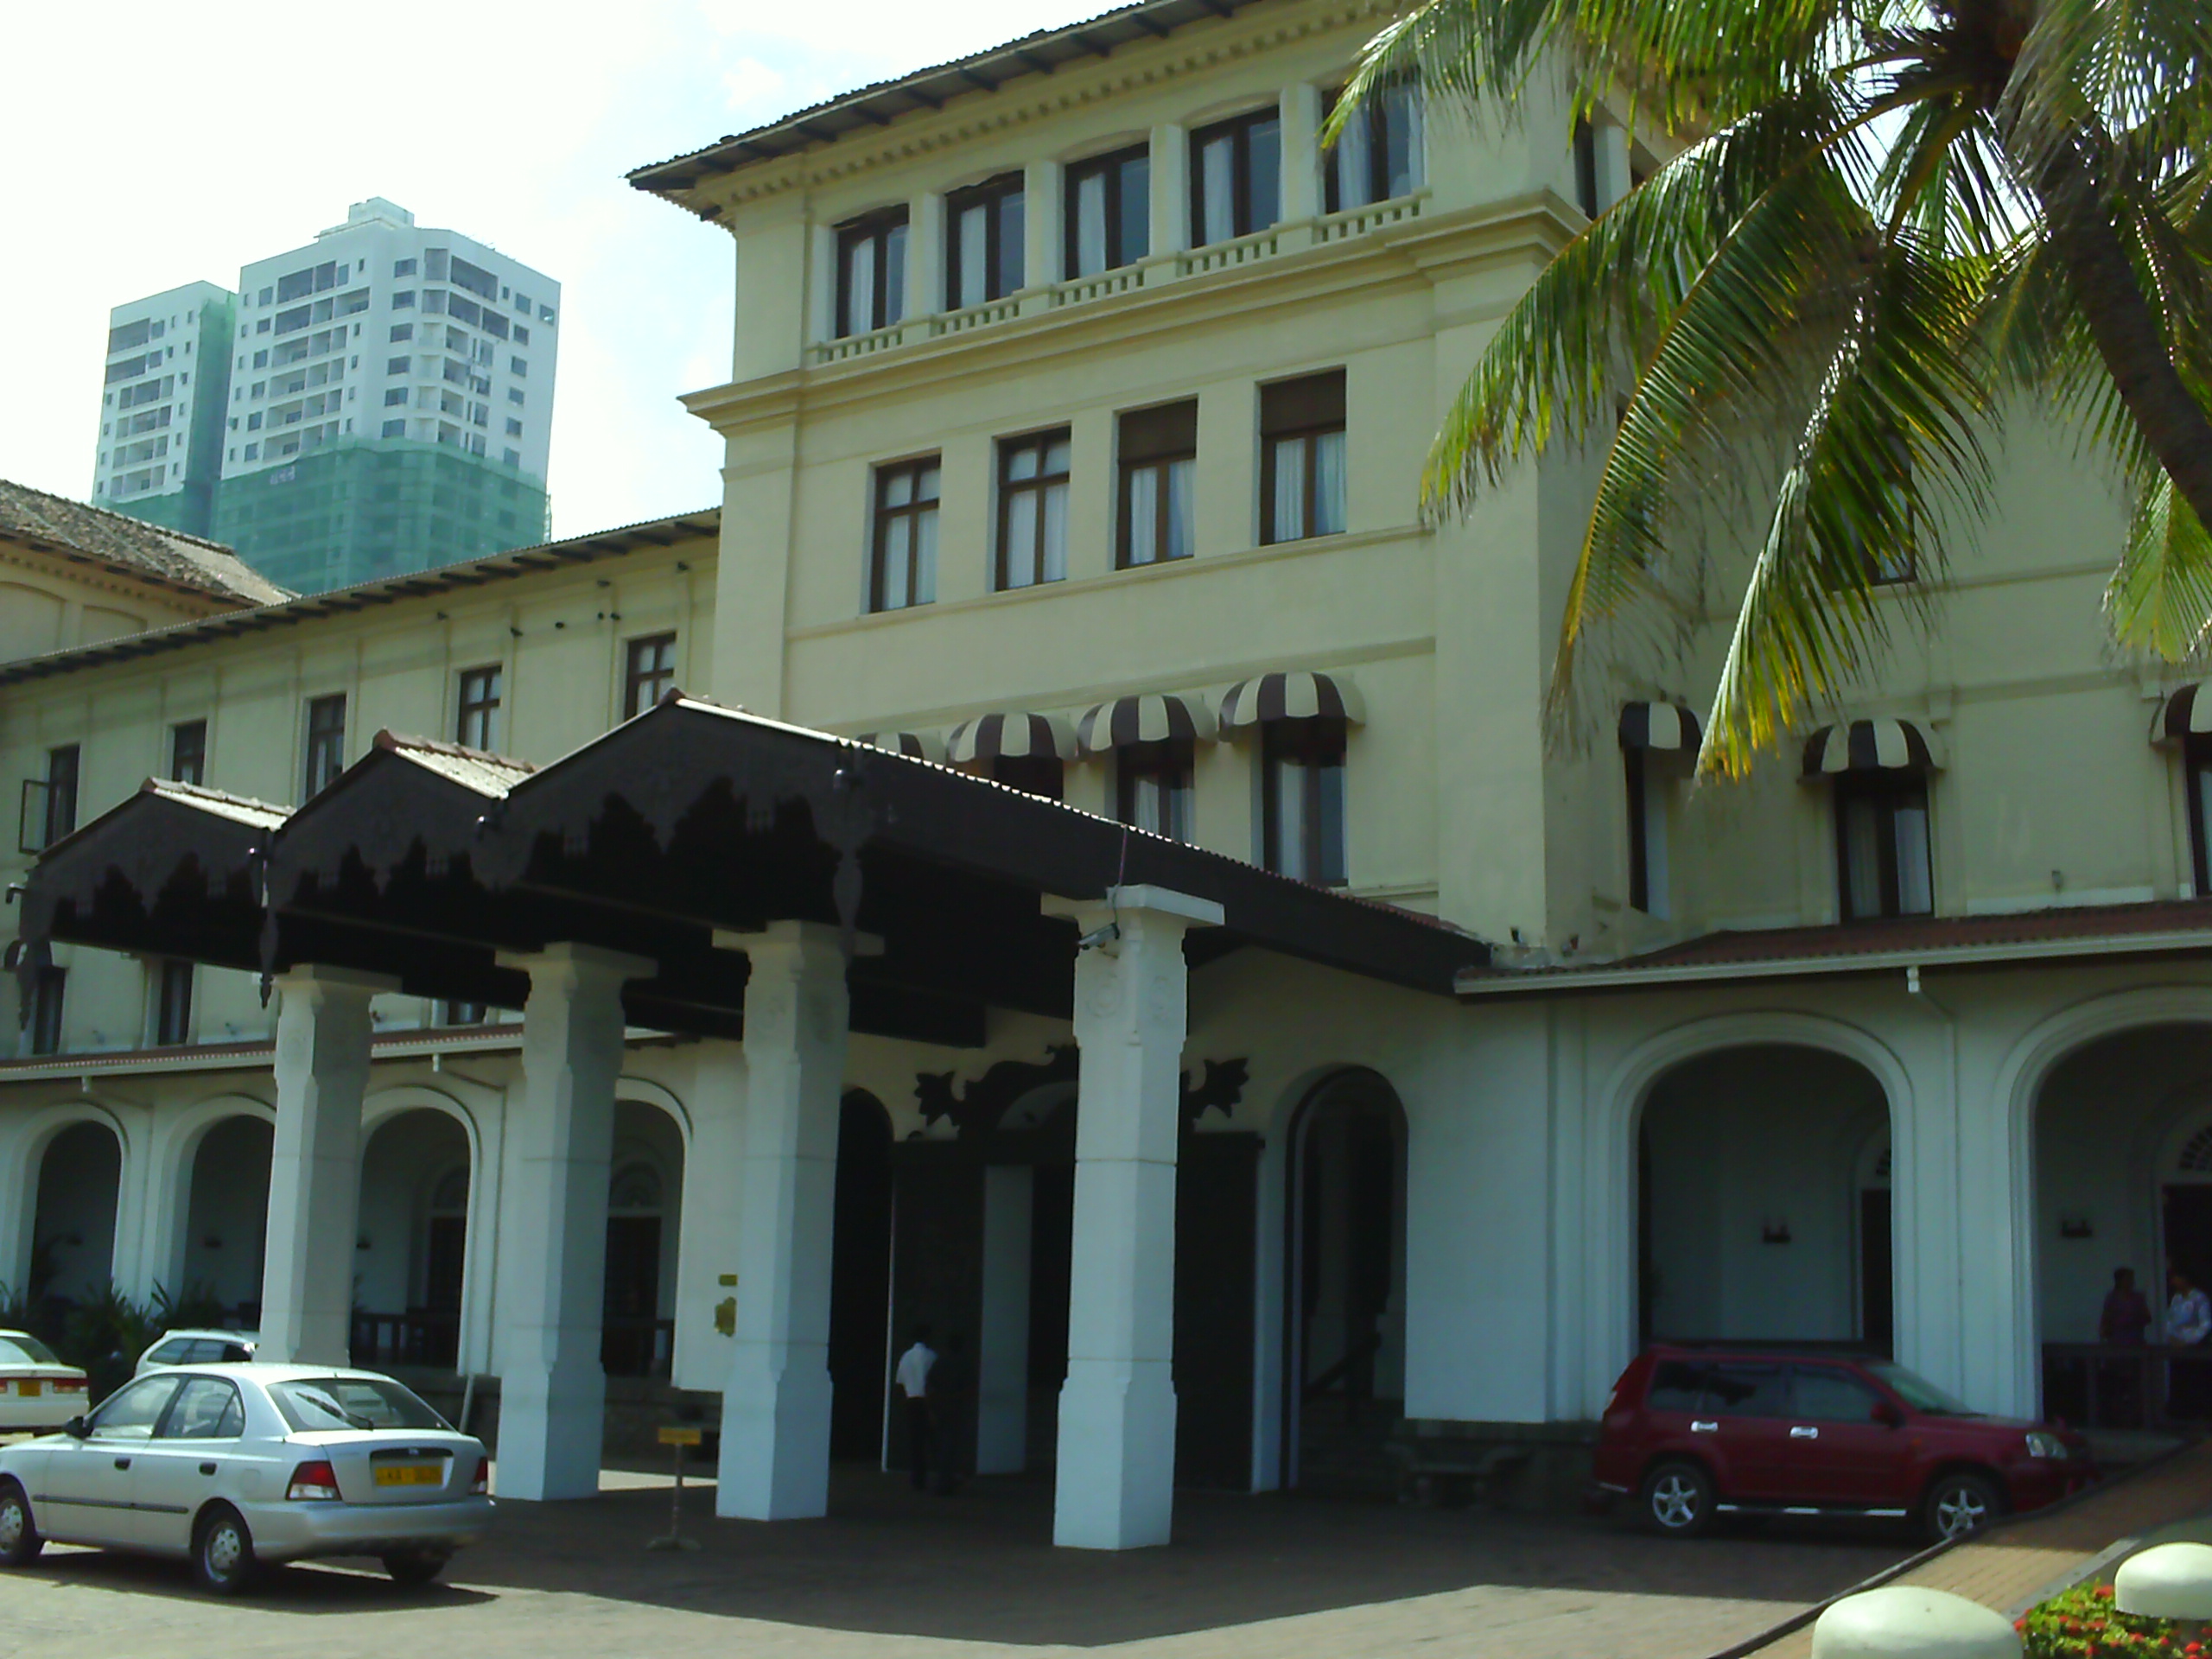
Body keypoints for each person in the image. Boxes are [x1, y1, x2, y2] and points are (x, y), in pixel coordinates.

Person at [2100, 1266, 2154, 1427]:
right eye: (2128, 1279)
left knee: (2136, 1382)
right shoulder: (2112, 1298)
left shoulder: (2138, 1298)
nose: (2131, 1282)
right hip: (2117, 1345)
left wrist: (2134, 1320)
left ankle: (2137, 1417)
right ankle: (2117, 1417)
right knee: (2118, 1382)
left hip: (2135, 1343)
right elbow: (2105, 1322)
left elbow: (2147, 1317)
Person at [894, 1324, 938, 1491]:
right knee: (934, 1441)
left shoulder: (906, 1357)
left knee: (915, 1444)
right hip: (929, 1402)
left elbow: (900, 1382)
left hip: (911, 1401)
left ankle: (917, 1479)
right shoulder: (932, 1356)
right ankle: (940, 1476)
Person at [2168, 1271, 2212, 1420]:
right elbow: (2171, 1320)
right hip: (2177, 1347)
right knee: (2180, 1381)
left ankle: (2197, 1414)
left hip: (2194, 1348)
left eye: (2176, 1278)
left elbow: (2205, 1324)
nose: (2173, 1282)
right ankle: (2180, 1413)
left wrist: (2188, 1341)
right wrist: (2172, 1337)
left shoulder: (2199, 1298)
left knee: (2195, 1381)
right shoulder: (2177, 1298)